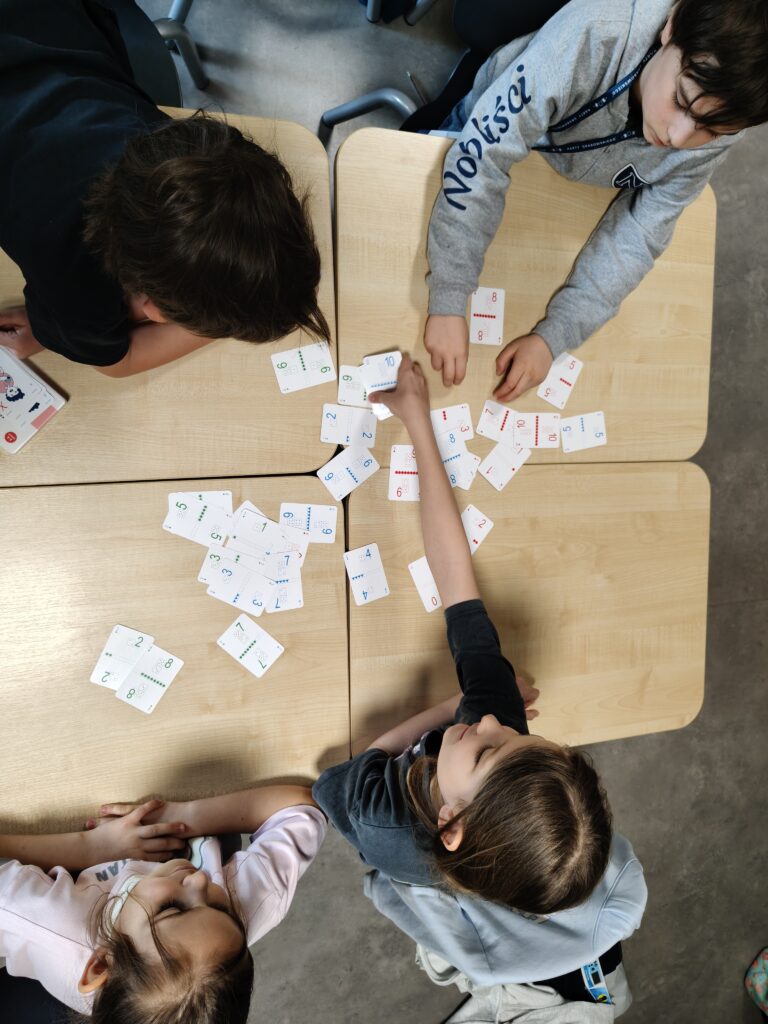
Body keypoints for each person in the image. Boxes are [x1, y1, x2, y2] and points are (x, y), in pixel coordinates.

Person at [312, 356, 647, 1007]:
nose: (493, 719)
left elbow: (337, 777)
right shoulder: (496, 736)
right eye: (521, 737)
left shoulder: (386, 826)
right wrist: (417, 420)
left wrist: (447, 705)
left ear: (450, 824)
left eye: (490, 745)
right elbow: (459, 591)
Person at [423, 0, 768, 397]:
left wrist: (554, 335)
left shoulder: (721, 119)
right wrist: (450, 293)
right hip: (489, 126)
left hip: (559, 193)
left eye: (710, 130)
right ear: (670, 27)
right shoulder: (595, 33)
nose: (678, 137)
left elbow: (637, 238)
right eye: (680, 100)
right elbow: (484, 153)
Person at [0, 0, 329, 377]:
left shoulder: (176, 153)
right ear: (153, 312)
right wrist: (226, 322)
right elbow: (118, 364)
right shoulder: (72, 286)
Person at [0, 786, 326, 1021]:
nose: (200, 881)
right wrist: (183, 818)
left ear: (100, 964)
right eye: (221, 909)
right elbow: (304, 809)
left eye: (171, 908)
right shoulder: (239, 912)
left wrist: (88, 848)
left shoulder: (50, 923)